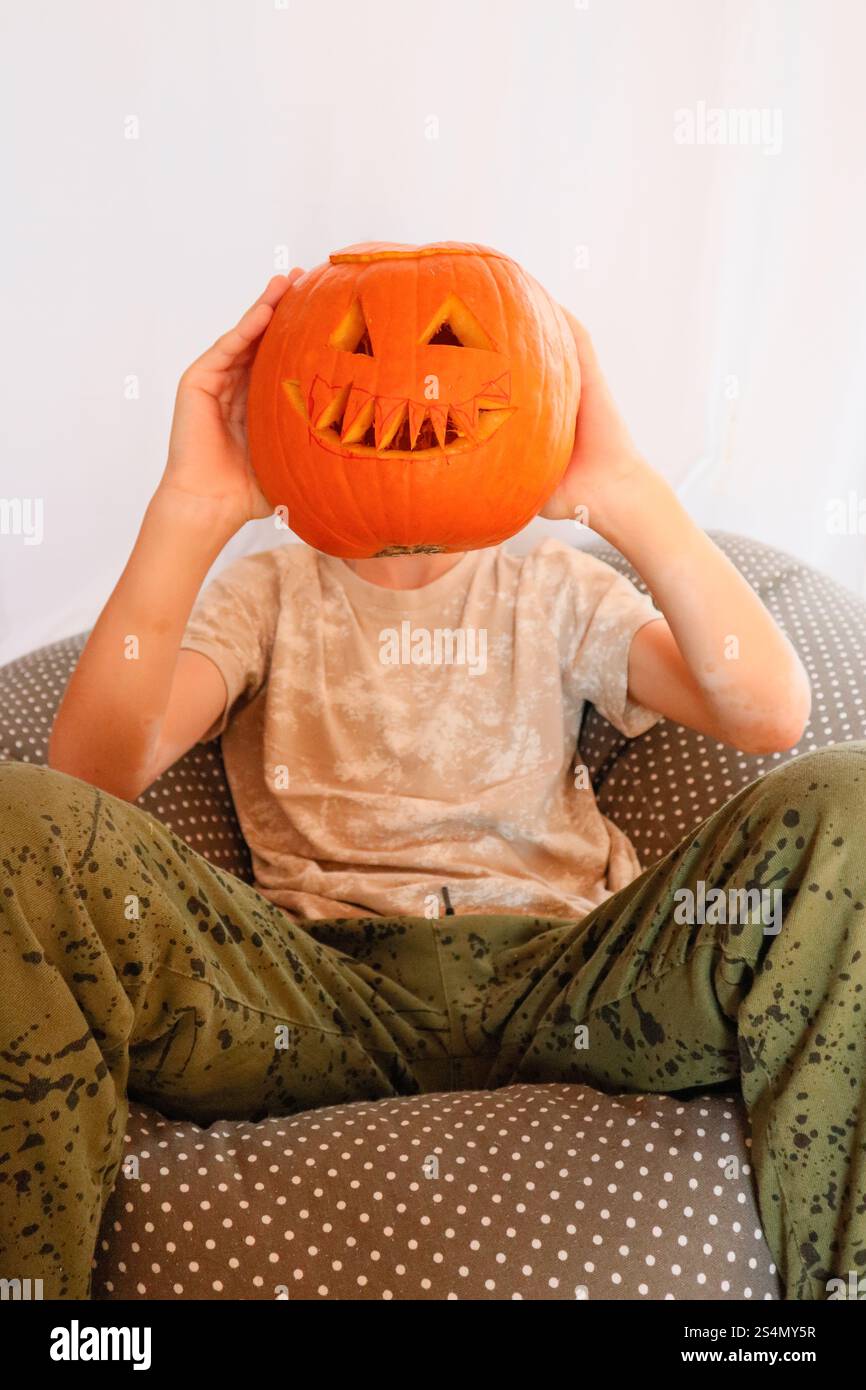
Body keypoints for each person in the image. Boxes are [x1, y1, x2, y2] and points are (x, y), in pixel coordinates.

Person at [1, 270, 862, 1302]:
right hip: (319, 995)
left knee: (849, 805)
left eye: (450, 344)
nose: (406, 379)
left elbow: (765, 711)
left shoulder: (551, 585)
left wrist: (619, 485)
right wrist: (194, 506)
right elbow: (91, 774)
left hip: (570, 978)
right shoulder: (263, 594)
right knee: (17, 821)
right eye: (356, 347)